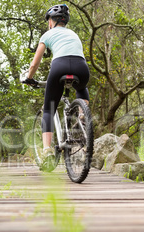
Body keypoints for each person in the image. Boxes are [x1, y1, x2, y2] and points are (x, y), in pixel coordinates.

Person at [23, 4, 90, 163]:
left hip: (59, 66)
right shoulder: (73, 34)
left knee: (49, 109)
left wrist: (29, 77)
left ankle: (47, 151)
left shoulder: (48, 34)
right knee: (81, 87)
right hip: (81, 67)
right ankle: (83, 116)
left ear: (51, 21)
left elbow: (35, 63)